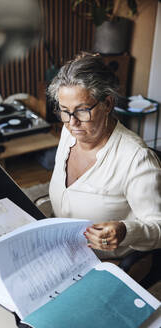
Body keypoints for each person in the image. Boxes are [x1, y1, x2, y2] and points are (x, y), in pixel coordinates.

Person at [48, 52, 161, 260]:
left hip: (102, 262)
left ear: (107, 104)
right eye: (64, 111)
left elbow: (158, 227)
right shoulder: (69, 131)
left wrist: (125, 231)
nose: (72, 123)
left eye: (82, 111)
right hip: (60, 246)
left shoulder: (137, 159)